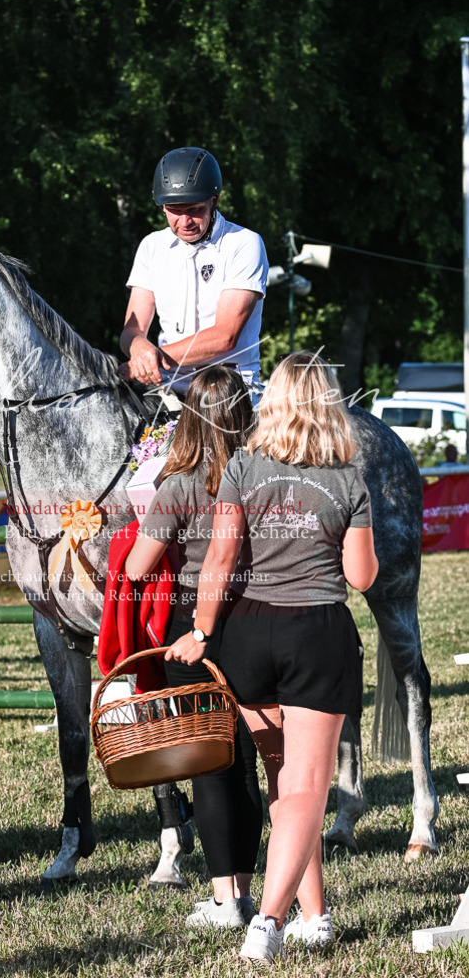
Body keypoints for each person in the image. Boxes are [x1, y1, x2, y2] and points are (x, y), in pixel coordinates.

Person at [166, 351, 379, 961]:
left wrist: (203, 631)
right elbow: (361, 578)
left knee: (285, 783)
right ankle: (268, 922)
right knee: (308, 786)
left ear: (276, 401)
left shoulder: (242, 467)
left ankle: (316, 916)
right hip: (316, 633)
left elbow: (221, 562)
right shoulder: (348, 478)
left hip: (248, 636)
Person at [124, 365, 263, 929]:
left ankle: (223, 898)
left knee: (207, 763)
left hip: (193, 628)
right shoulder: (261, 473)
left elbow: (137, 567)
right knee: (248, 763)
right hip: (256, 619)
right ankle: (250, 892)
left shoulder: (178, 485)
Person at [119, 147, 268, 399]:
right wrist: (139, 347)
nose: (185, 221)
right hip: (165, 388)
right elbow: (131, 331)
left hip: (228, 390)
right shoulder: (151, 246)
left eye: (194, 209)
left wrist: (149, 360)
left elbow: (225, 337)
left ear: (214, 200)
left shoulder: (245, 243)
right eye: (174, 210)